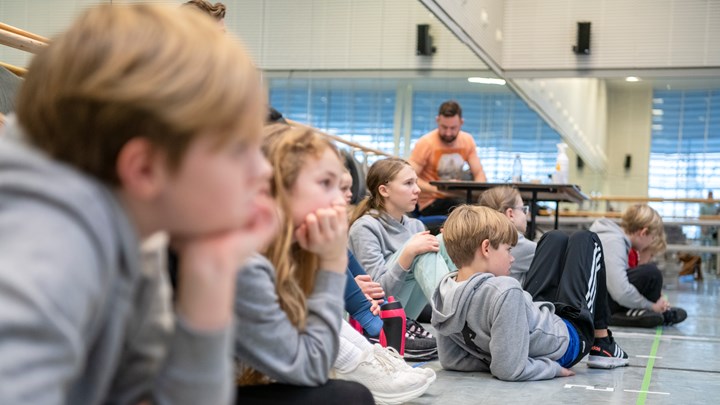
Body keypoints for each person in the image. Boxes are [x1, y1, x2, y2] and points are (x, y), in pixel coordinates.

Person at [0, 4, 277, 404]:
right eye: (238, 148)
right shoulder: (50, 257)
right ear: (145, 168)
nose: (263, 170)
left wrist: (210, 272)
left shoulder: (135, 226)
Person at [233, 124, 431, 405]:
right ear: (279, 187)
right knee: (351, 397)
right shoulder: (246, 261)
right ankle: (365, 361)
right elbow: (310, 366)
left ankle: (371, 357)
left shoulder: (282, 249)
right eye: (326, 185)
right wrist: (330, 267)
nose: (341, 199)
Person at [432, 205, 629, 382]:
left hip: (536, 325)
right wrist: (550, 368)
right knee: (587, 239)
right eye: (508, 250)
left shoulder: (444, 291)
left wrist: (496, 358)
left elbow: (451, 360)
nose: (511, 259)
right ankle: (603, 343)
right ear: (486, 248)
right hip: (568, 340)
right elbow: (510, 370)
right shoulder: (505, 290)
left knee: (554, 238)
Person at [590, 204, 687, 327]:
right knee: (651, 274)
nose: (651, 242)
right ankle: (624, 314)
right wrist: (651, 305)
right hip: (596, 303)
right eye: (652, 238)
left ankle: (641, 311)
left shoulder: (616, 240)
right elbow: (621, 292)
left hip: (600, 296)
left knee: (649, 273)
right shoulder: (614, 242)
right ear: (643, 232)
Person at [409, 100, 487, 217]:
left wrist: (479, 193)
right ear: (437, 121)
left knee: (487, 206)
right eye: (444, 127)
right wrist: (439, 191)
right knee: (469, 212)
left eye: (453, 128)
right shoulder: (426, 143)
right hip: (431, 202)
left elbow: (479, 173)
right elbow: (410, 177)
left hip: (456, 197)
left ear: (461, 123)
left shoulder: (467, 140)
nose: (448, 133)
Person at [478, 186, 534, 285]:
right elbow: (552, 257)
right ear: (510, 214)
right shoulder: (513, 240)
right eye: (523, 209)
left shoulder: (480, 232)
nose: (526, 214)